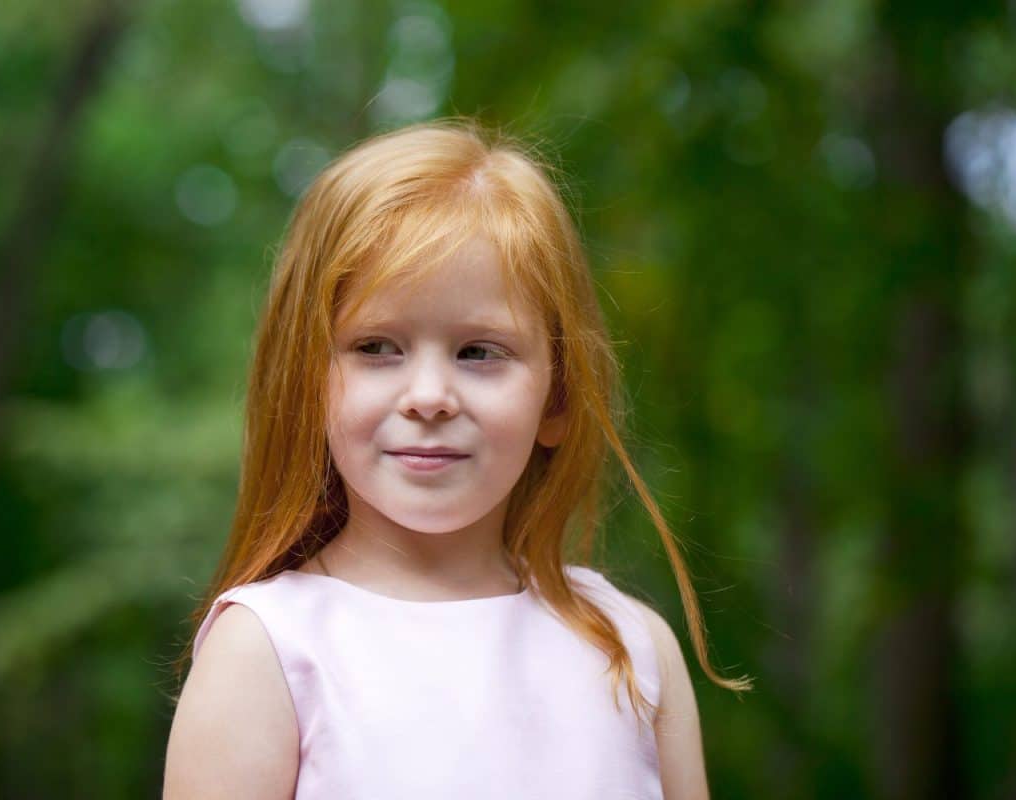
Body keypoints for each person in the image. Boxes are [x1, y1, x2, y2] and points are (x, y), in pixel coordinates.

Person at [162, 118, 752, 800]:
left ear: (557, 398)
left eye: (480, 352)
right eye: (377, 347)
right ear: (306, 385)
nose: (430, 396)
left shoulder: (633, 648)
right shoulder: (267, 652)